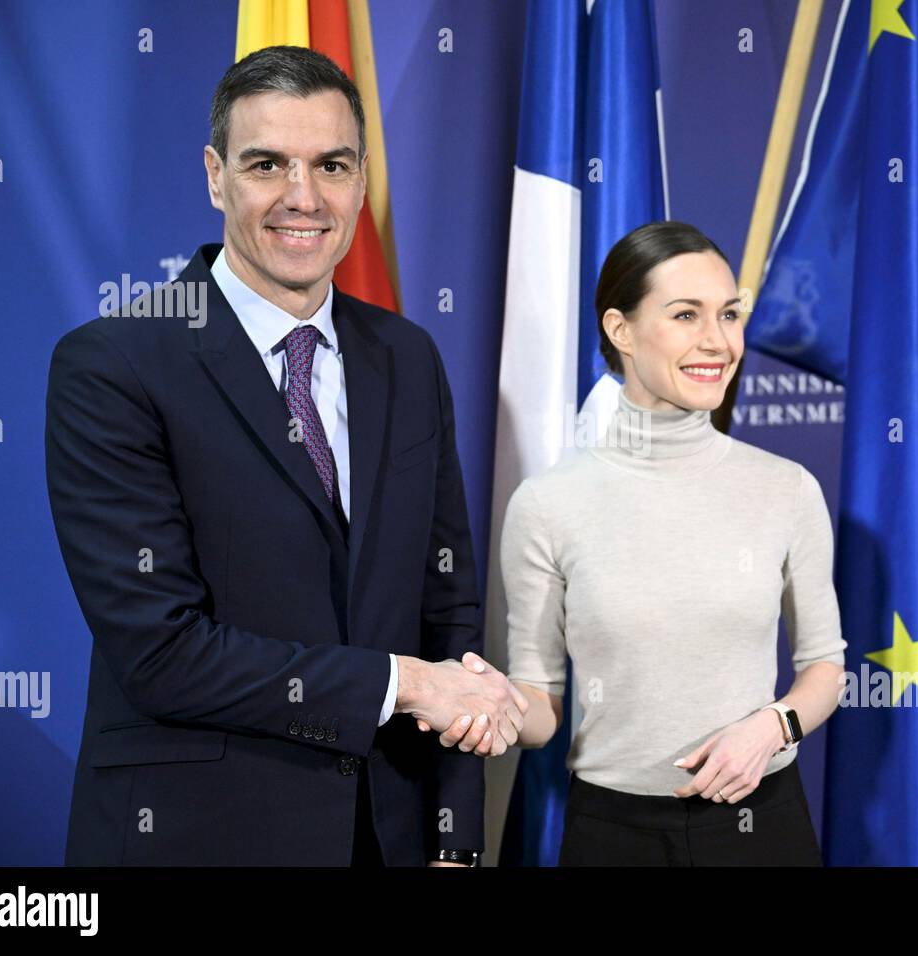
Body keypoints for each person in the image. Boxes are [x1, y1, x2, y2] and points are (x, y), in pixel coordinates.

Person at [45, 45, 526, 867]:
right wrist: (402, 684)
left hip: (390, 838)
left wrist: (452, 842)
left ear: (362, 178)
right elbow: (163, 653)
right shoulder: (113, 363)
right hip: (197, 839)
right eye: (267, 163)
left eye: (331, 165)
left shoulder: (407, 358)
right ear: (215, 176)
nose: (303, 197)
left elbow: (448, 616)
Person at [434, 220, 847, 865]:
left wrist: (772, 727)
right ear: (620, 330)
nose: (717, 341)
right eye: (686, 315)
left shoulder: (786, 489)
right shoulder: (547, 505)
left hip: (761, 827)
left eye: (729, 314)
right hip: (612, 835)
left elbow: (825, 667)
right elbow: (541, 703)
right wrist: (492, 708)